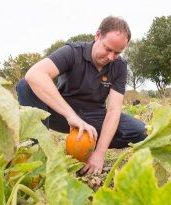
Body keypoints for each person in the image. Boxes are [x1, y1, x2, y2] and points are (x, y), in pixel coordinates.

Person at [16, 16, 146, 175]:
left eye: (117, 53)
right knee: (26, 85)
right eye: (107, 49)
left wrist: (100, 152)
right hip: (62, 114)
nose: (111, 57)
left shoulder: (119, 66)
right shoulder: (72, 52)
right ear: (98, 35)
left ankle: (88, 149)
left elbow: (113, 111)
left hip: (93, 116)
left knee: (139, 131)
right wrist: (70, 115)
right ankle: (35, 150)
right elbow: (34, 74)